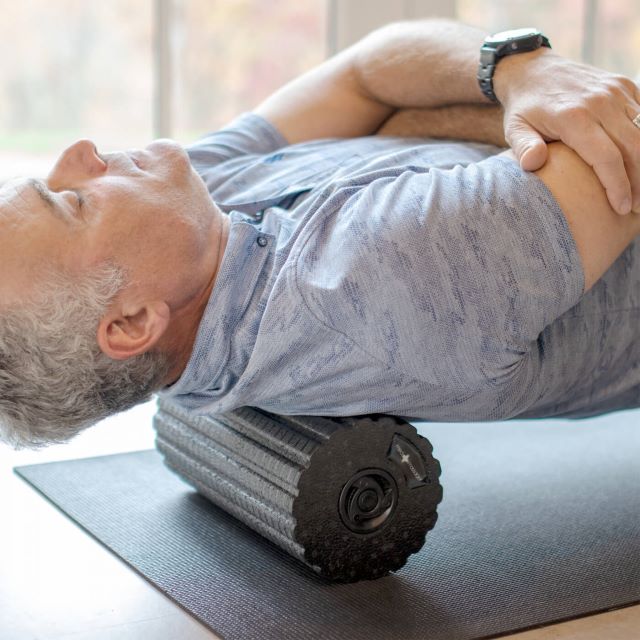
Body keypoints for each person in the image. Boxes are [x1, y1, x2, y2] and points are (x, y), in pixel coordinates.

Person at [1, 19, 640, 449]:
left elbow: (368, 65)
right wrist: (513, 87)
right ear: (133, 323)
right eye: (71, 201)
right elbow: (621, 137)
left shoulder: (190, 224)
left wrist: (514, 73)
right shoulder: (362, 283)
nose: (80, 151)